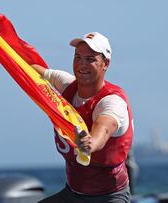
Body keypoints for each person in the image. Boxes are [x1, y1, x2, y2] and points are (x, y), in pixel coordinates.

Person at [33, 32, 134, 203]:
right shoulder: (66, 85)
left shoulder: (112, 102)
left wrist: (90, 143)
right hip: (72, 195)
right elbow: (25, 68)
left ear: (105, 64)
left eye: (90, 59)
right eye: (78, 57)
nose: (82, 65)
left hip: (109, 197)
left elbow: (104, 128)